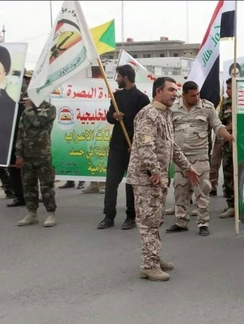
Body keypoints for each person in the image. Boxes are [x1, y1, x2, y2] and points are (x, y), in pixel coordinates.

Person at [126, 76, 199, 282]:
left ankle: (154, 257)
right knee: (149, 222)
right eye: (171, 90)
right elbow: (144, 147)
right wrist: (156, 172)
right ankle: (149, 266)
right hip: (146, 178)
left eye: (176, 90)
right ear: (158, 91)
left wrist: (188, 167)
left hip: (158, 178)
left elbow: (172, 146)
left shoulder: (165, 113)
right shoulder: (147, 115)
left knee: (156, 220)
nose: (175, 94)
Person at [165, 81, 233, 236]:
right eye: (192, 95)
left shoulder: (207, 107)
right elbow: (166, 129)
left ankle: (203, 223)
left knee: (202, 190)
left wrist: (228, 136)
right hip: (180, 157)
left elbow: (217, 125)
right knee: (180, 190)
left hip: (200, 156)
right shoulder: (173, 108)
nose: (196, 97)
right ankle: (181, 222)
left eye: (198, 94)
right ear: (184, 95)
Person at [97, 65, 150, 230]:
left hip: (133, 147)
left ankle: (131, 217)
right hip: (117, 146)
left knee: (131, 183)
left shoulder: (142, 98)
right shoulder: (116, 96)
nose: (116, 79)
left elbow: (145, 125)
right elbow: (109, 117)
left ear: (125, 77)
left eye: (118, 76)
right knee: (111, 182)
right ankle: (108, 216)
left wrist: (136, 143)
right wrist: (113, 116)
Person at [14, 98, 57, 227]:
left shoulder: (49, 108)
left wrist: (28, 109)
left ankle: (50, 213)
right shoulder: (27, 111)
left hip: (42, 155)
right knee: (28, 186)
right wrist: (18, 154)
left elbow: (38, 122)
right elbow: (21, 133)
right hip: (27, 156)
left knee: (46, 186)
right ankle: (32, 213)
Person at [7, 69, 32, 207]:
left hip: (27, 139)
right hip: (11, 137)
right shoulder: (8, 95)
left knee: (29, 169)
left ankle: (31, 195)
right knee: (13, 167)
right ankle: (20, 196)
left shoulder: (32, 96)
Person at [218, 78, 235, 219]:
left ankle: (242, 204)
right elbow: (218, 124)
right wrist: (227, 128)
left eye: (230, 88)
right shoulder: (225, 104)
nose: (228, 91)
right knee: (229, 175)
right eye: (227, 88)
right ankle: (231, 205)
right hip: (228, 147)